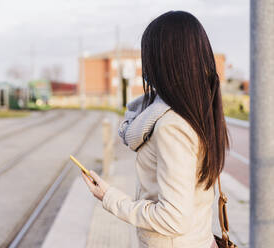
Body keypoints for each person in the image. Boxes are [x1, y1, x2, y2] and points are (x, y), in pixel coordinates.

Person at [82, 11, 229, 248]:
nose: (145, 67)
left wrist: (108, 197)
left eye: (148, 57)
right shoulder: (199, 112)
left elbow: (172, 218)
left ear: (165, 62)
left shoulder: (172, 126)